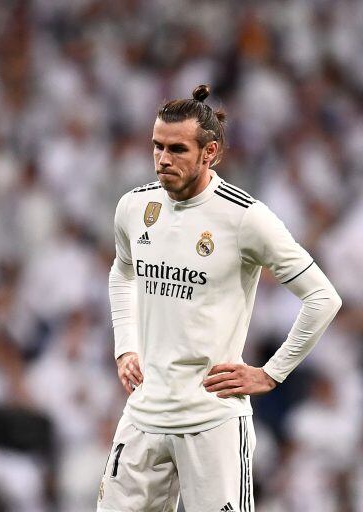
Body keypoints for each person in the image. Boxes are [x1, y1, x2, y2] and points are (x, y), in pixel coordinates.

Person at [98, 84, 342, 512]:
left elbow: (323, 297)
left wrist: (271, 373)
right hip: (144, 413)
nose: (163, 160)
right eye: (157, 147)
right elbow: (122, 273)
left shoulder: (245, 217)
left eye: (177, 149)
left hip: (211, 420)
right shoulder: (134, 208)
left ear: (209, 153)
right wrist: (125, 346)